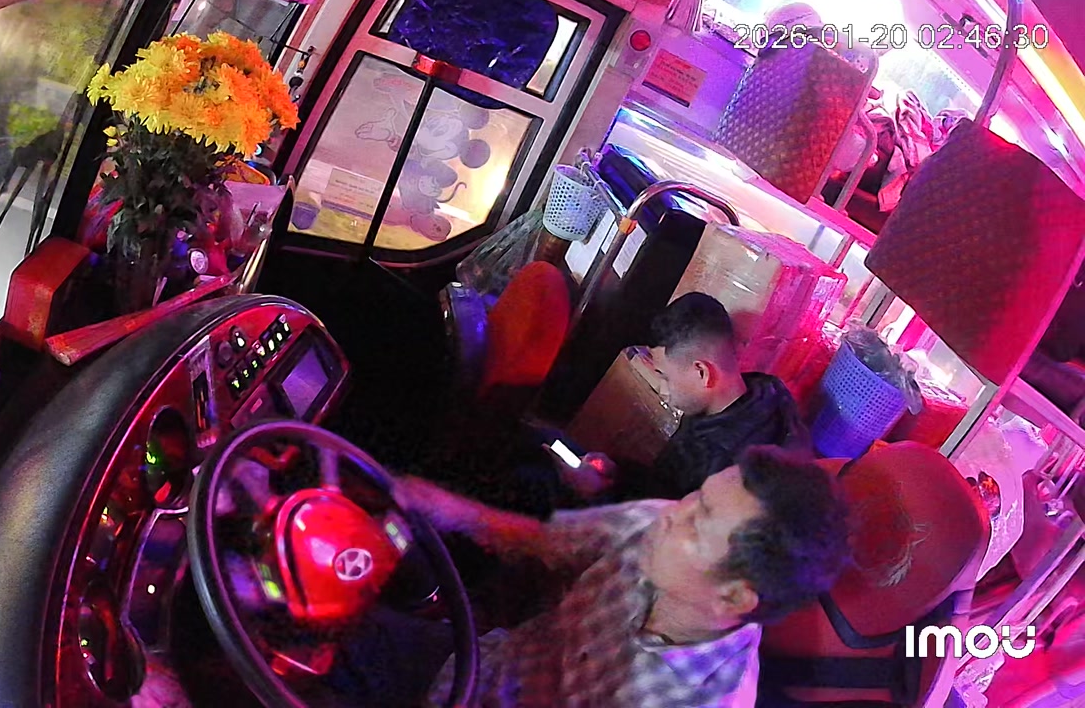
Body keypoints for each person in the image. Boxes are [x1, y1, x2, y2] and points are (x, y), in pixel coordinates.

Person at [352, 447, 849, 707]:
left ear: (734, 597)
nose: (670, 515)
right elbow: (545, 543)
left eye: (698, 522)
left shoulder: (703, 700)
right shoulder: (654, 519)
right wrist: (450, 510)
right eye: (694, 496)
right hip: (477, 665)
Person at [547, 292, 810, 506]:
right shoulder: (763, 392)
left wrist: (597, 492)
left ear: (702, 372)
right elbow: (662, 485)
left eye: (665, 377)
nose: (663, 389)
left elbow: (666, 529)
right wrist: (616, 471)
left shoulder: (727, 472)